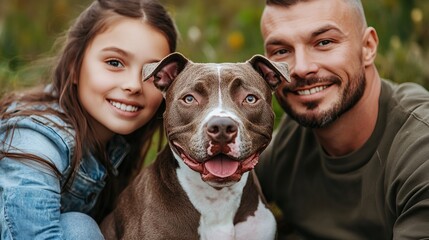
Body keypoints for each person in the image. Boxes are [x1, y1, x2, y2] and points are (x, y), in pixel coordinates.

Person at [0, 0, 177, 239]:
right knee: (78, 227)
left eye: (152, 73)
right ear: (74, 65)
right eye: (114, 63)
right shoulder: (36, 139)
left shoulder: (117, 145)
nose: (134, 85)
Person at [255, 0, 429, 239]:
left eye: (324, 42)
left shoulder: (420, 152)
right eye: (282, 51)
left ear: (367, 46)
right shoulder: (291, 138)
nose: (301, 68)